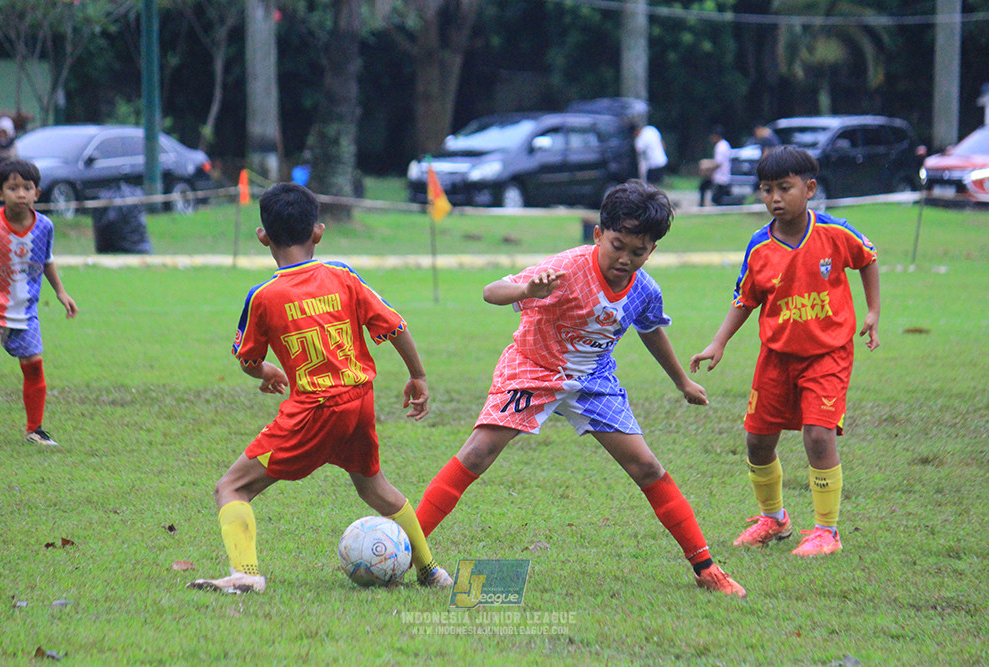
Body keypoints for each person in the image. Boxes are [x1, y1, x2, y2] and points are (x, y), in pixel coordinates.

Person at [414, 179, 747, 597]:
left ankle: (706, 568)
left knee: (647, 467)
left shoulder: (645, 290)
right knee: (478, 452)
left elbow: (651, 330)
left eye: (637, 251)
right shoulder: (568, 268)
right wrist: (526, 290)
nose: (625, 258)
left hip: (593, 381)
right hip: (532, 370)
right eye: (617, 245)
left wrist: (682, 381)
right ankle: (406, 548)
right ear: (598, 235)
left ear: (652, 251)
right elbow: (491, 291)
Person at [188, 183, 452, 594]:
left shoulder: (263, 296)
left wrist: (267, 373)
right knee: (374, 487)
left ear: (262, 236)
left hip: (313, 410)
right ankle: (430, 570)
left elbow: (247, 360)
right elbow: (396, 325)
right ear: (318, 232)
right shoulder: (343, 277)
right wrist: (417, 375)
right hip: (359, 401)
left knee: (232, 487)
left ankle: (245, 573)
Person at [689, 146, 880, 558]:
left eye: (785, 188)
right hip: (776, 357)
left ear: (809, 189)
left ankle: (827, 531)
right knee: (757, 439)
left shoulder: (835, 232)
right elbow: (745, 298)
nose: (775, 198)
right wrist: (718, 342)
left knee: (817, 434)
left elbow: (868, 257)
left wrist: (873, 311)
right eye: (766, 190)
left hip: (828, 353)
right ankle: (773, 519)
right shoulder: (759, 246)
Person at [0, 159, 78, 446]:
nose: (21, 194)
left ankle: (35, 430)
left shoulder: (45, 227)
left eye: (27, 188)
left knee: (34, 364)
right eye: (13, 187)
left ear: (37, 193)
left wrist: (61, 292)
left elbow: (46, 261)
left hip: (25, 308)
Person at [698, 125, 732, 206]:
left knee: (716, 199)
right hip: (721, 175)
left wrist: (705, 166)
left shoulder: (720, 146)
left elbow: (718, 163)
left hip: (720, 177)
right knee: (703, 187)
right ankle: (702, 205)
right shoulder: (725, 144)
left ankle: (701, 206)